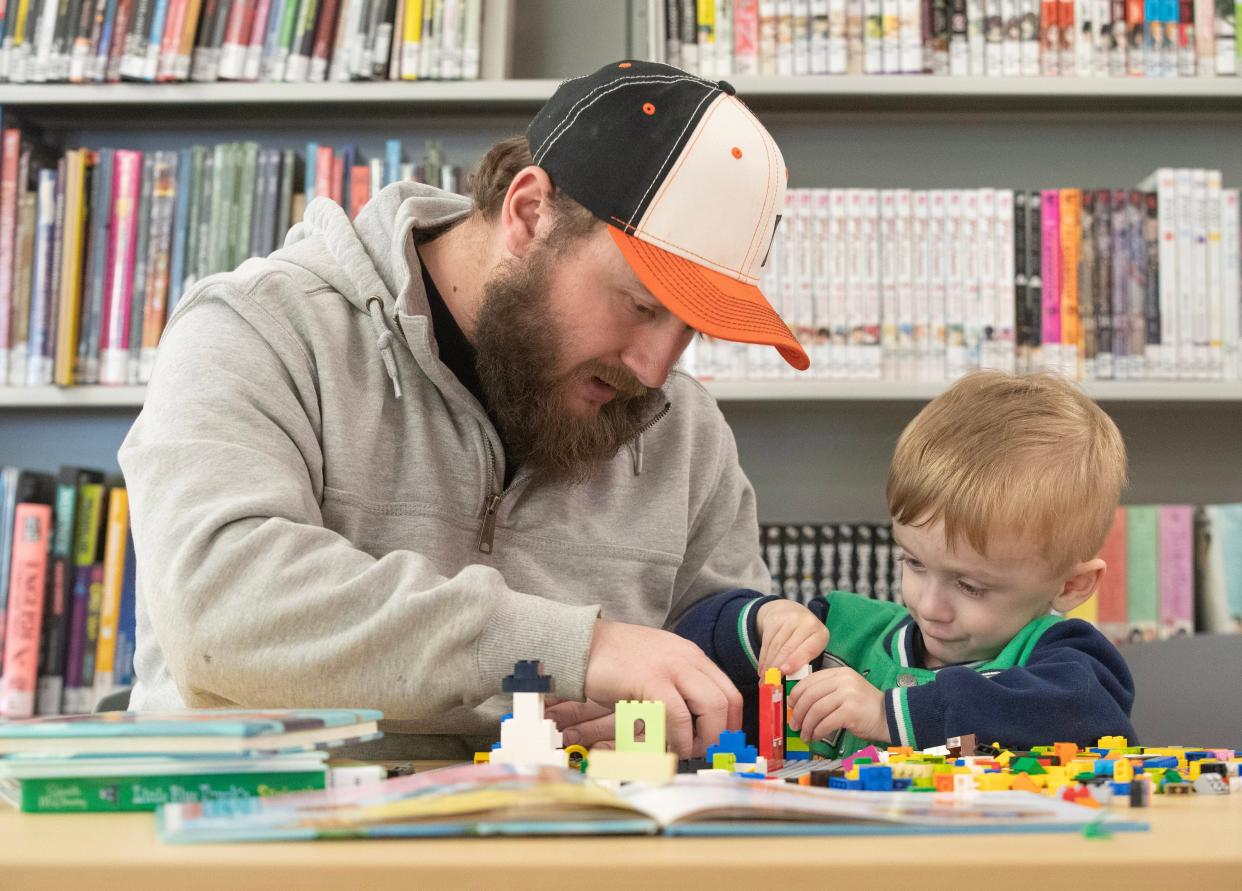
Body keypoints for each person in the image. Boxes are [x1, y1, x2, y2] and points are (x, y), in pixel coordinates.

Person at [117, 60, 810, 759]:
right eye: (641, 306)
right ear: (529, 214)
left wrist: (700, 717)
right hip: (268, 840)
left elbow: (734, 664)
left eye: (692, 329)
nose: (656, 368)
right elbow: (219, 608)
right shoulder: (259, 330)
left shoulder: (681, 428)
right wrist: (577, 646)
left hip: (562, 848)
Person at [676, 371, 1137, 757]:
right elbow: (688, 648)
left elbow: (1072, 713)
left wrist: (886, 715)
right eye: (913, 562)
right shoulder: (842, 631)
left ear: (1072, 585)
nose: (931, 605)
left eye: (971, 586)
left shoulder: (1071, 667)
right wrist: (762, 619)